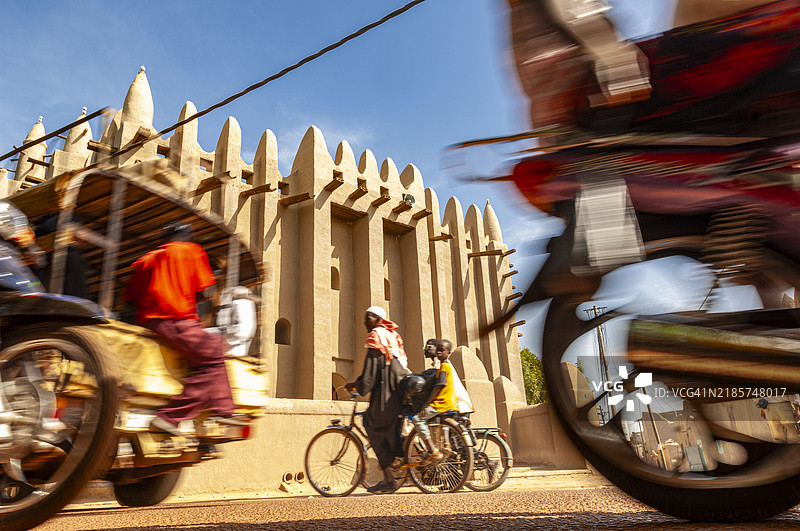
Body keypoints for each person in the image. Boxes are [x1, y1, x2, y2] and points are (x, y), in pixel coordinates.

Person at [125, 221, 245, 436]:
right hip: (175, 319)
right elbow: (207, 292)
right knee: (215, 351)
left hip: (149, 322)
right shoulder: (191, 251)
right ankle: (175, 416)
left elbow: (130, 300)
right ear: (186, 235)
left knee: (206, 358)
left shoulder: (146, 259)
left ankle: (222, 409)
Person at [345, 306, 409, 494]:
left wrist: (356, 385)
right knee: (390, 429)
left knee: (370, 424)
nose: (365, 321)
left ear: (378, 319)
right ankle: (398, 459)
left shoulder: (376, 336)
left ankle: (389, 479)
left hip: (385, 394)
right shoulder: (393, 336)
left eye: (369, 317)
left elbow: (371, 372)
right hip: (398, 392)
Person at [411, 339, 460, 463]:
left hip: (442, 402)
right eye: (437, 349)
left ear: (448, 352)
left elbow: (439, 385)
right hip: (449, 402)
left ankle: (432, 450)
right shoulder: (445, 365)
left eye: (441, 350)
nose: (438, 352)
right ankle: (443, 446)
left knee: (417, 419)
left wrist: (425, 404)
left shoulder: (443, 366)